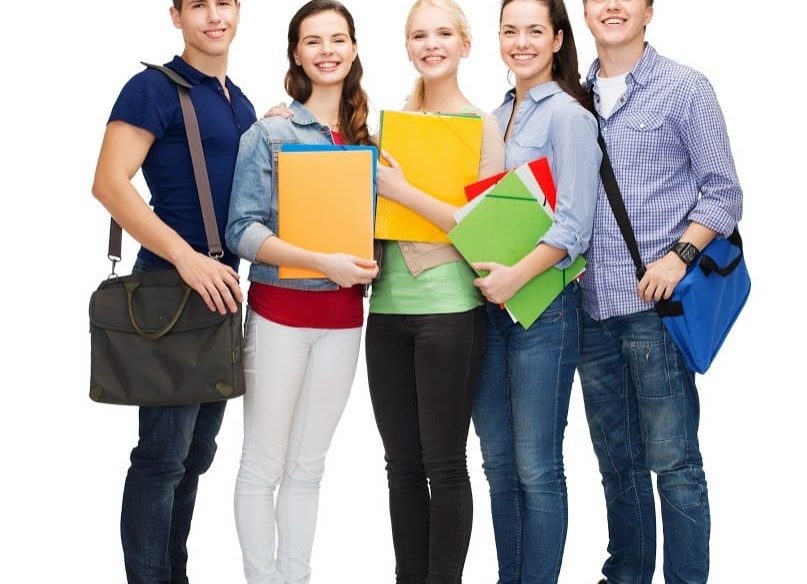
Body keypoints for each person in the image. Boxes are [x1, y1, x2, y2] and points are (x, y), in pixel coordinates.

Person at [577, 1, 744, 583]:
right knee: (616, 464)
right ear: (584, 9)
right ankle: (626, 575)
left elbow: (723, 195)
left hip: (656, 311)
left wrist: (678, 257)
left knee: (674, 463)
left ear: (650, 9)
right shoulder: (572, 96)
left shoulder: (684, 88)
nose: (612, 6)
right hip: (590, 310)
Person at [91, 1, 255, 583]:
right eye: (199, 5)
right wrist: (186, 258)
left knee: (194, 457)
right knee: (161, 459)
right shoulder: (151, 88)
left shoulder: (241, 102)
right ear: (176, 16)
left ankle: (172, 573)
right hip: (170, 287)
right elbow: (109, 183)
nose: (214, 16)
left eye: (225, 4)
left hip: (221, 295)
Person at [224, 2, 378, 583]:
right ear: (296, 54)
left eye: (338, 39)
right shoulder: (271, 132)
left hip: (343, 322)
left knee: (308, 467)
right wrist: (320, 261)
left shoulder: (371, 138)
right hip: (280, 316)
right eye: (313, 42)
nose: (327, 51)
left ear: (355, 48)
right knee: (262, 465)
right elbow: (242, 229)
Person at [365, 1, 504, 582]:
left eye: (444, 33)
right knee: (400, 466)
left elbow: (487, 233)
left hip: (450, 310)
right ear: (408, 47)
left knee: (444, 464)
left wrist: (400, 190)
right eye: (419, 35)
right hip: (388, 310)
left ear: (465, 45)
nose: (431, 43)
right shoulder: (390, 127)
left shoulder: (484, 126)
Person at [468, 0, 601, 582]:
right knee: (498, 464)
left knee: (536, 467)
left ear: (556, 39)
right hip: (489, 310)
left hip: (544, 308)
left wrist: (514, 279)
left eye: (534, 31)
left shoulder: (569, 116)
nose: (520, 42)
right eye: (509, 30)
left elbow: (574, 226)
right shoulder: (494, 116)